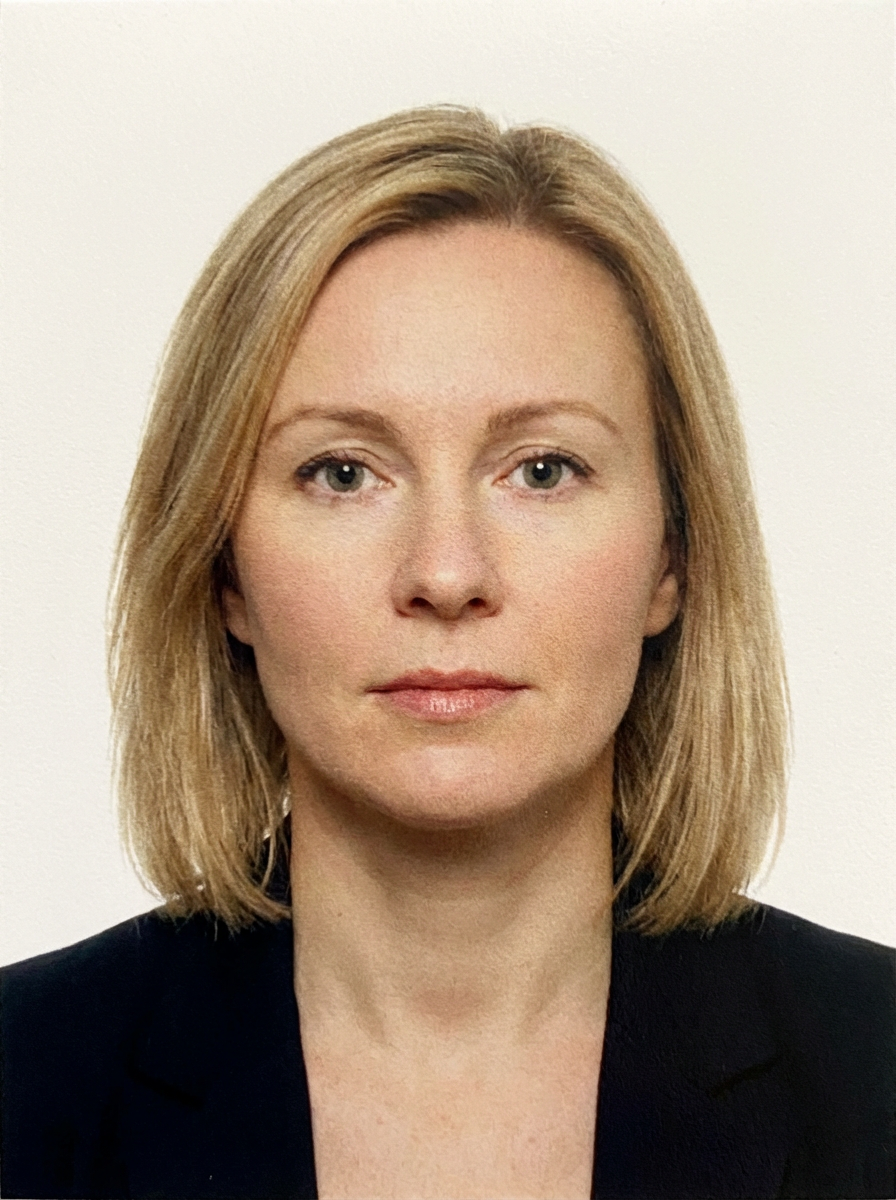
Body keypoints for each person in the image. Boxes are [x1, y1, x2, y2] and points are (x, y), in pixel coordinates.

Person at [0, 105, 892, 1200]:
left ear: (673, 555)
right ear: (224, 567)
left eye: (542, 469)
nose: (446, 573)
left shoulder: (874, 1071)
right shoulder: (21, 1078)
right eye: (340, 472)